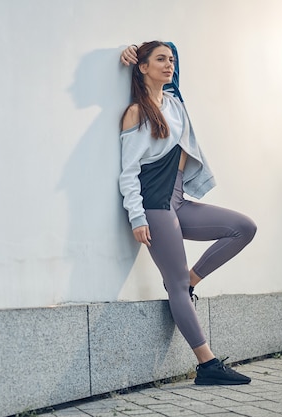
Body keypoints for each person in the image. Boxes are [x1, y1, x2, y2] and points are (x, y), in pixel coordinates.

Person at [118, 41, 257, 385]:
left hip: (179, 201)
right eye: (160, 60)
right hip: (155, 205)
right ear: (142, 67)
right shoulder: (136, 112)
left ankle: (189, 281)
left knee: (243, 227)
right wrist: (137, 218)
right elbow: (128, 172)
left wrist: (138, 47)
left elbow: (172, 53)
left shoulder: (175, 104)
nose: (169, 65)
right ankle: (207, 365)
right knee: (176, 285)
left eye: (172, 61)